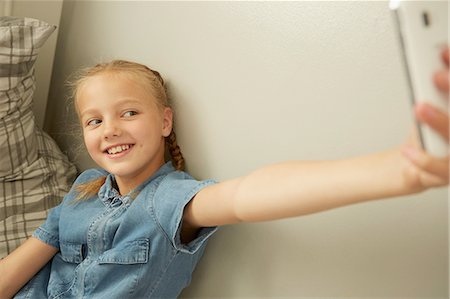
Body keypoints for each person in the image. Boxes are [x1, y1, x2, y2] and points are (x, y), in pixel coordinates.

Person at [0, 48, 448, 298]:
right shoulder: (83, 187)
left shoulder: (170, 200)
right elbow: (28, 259)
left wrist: (395, 170)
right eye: (94, 121)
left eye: (129, 112)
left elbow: (248, 195)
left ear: (165, 122)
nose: (110, 129)